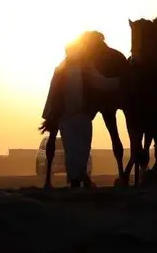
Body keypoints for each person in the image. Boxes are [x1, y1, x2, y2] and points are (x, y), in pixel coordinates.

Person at [41, 32, 120, 188]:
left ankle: (80, 179)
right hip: (67, 116)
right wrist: (50, 115)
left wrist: (119, 82)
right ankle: (77, 181)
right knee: (73, 150)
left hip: (82, 116)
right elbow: (53, 93)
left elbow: (101, 82)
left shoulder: (84, 68)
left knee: (82, 150)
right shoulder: (63, 70)